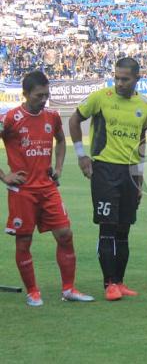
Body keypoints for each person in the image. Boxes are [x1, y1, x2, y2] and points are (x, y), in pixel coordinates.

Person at [1, 71, 94, 306]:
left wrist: (59, 167)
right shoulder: (11, 118)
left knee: (65, 235)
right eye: (38, 96)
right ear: (25, 94)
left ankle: (69, 289)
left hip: (48, 187)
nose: (43, 100)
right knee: (23, 242)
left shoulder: (52, 116)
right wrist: (5, 176)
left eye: (46, 95)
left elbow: (61, 140)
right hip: (23, 191)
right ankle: (33, 292)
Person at [69, 57, 147, 301]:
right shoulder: (100, 98)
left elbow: (141, 142)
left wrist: (139, 177)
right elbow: (74, 120)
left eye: (125, 79)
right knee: (107, 228)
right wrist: (82, 155)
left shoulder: (144, 106)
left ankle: (120, 281)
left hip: (129, 173)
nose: (119, 83)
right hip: (104, 170)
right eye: (116, 77)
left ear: (137, 78)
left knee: (124, 230)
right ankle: (109, 284)